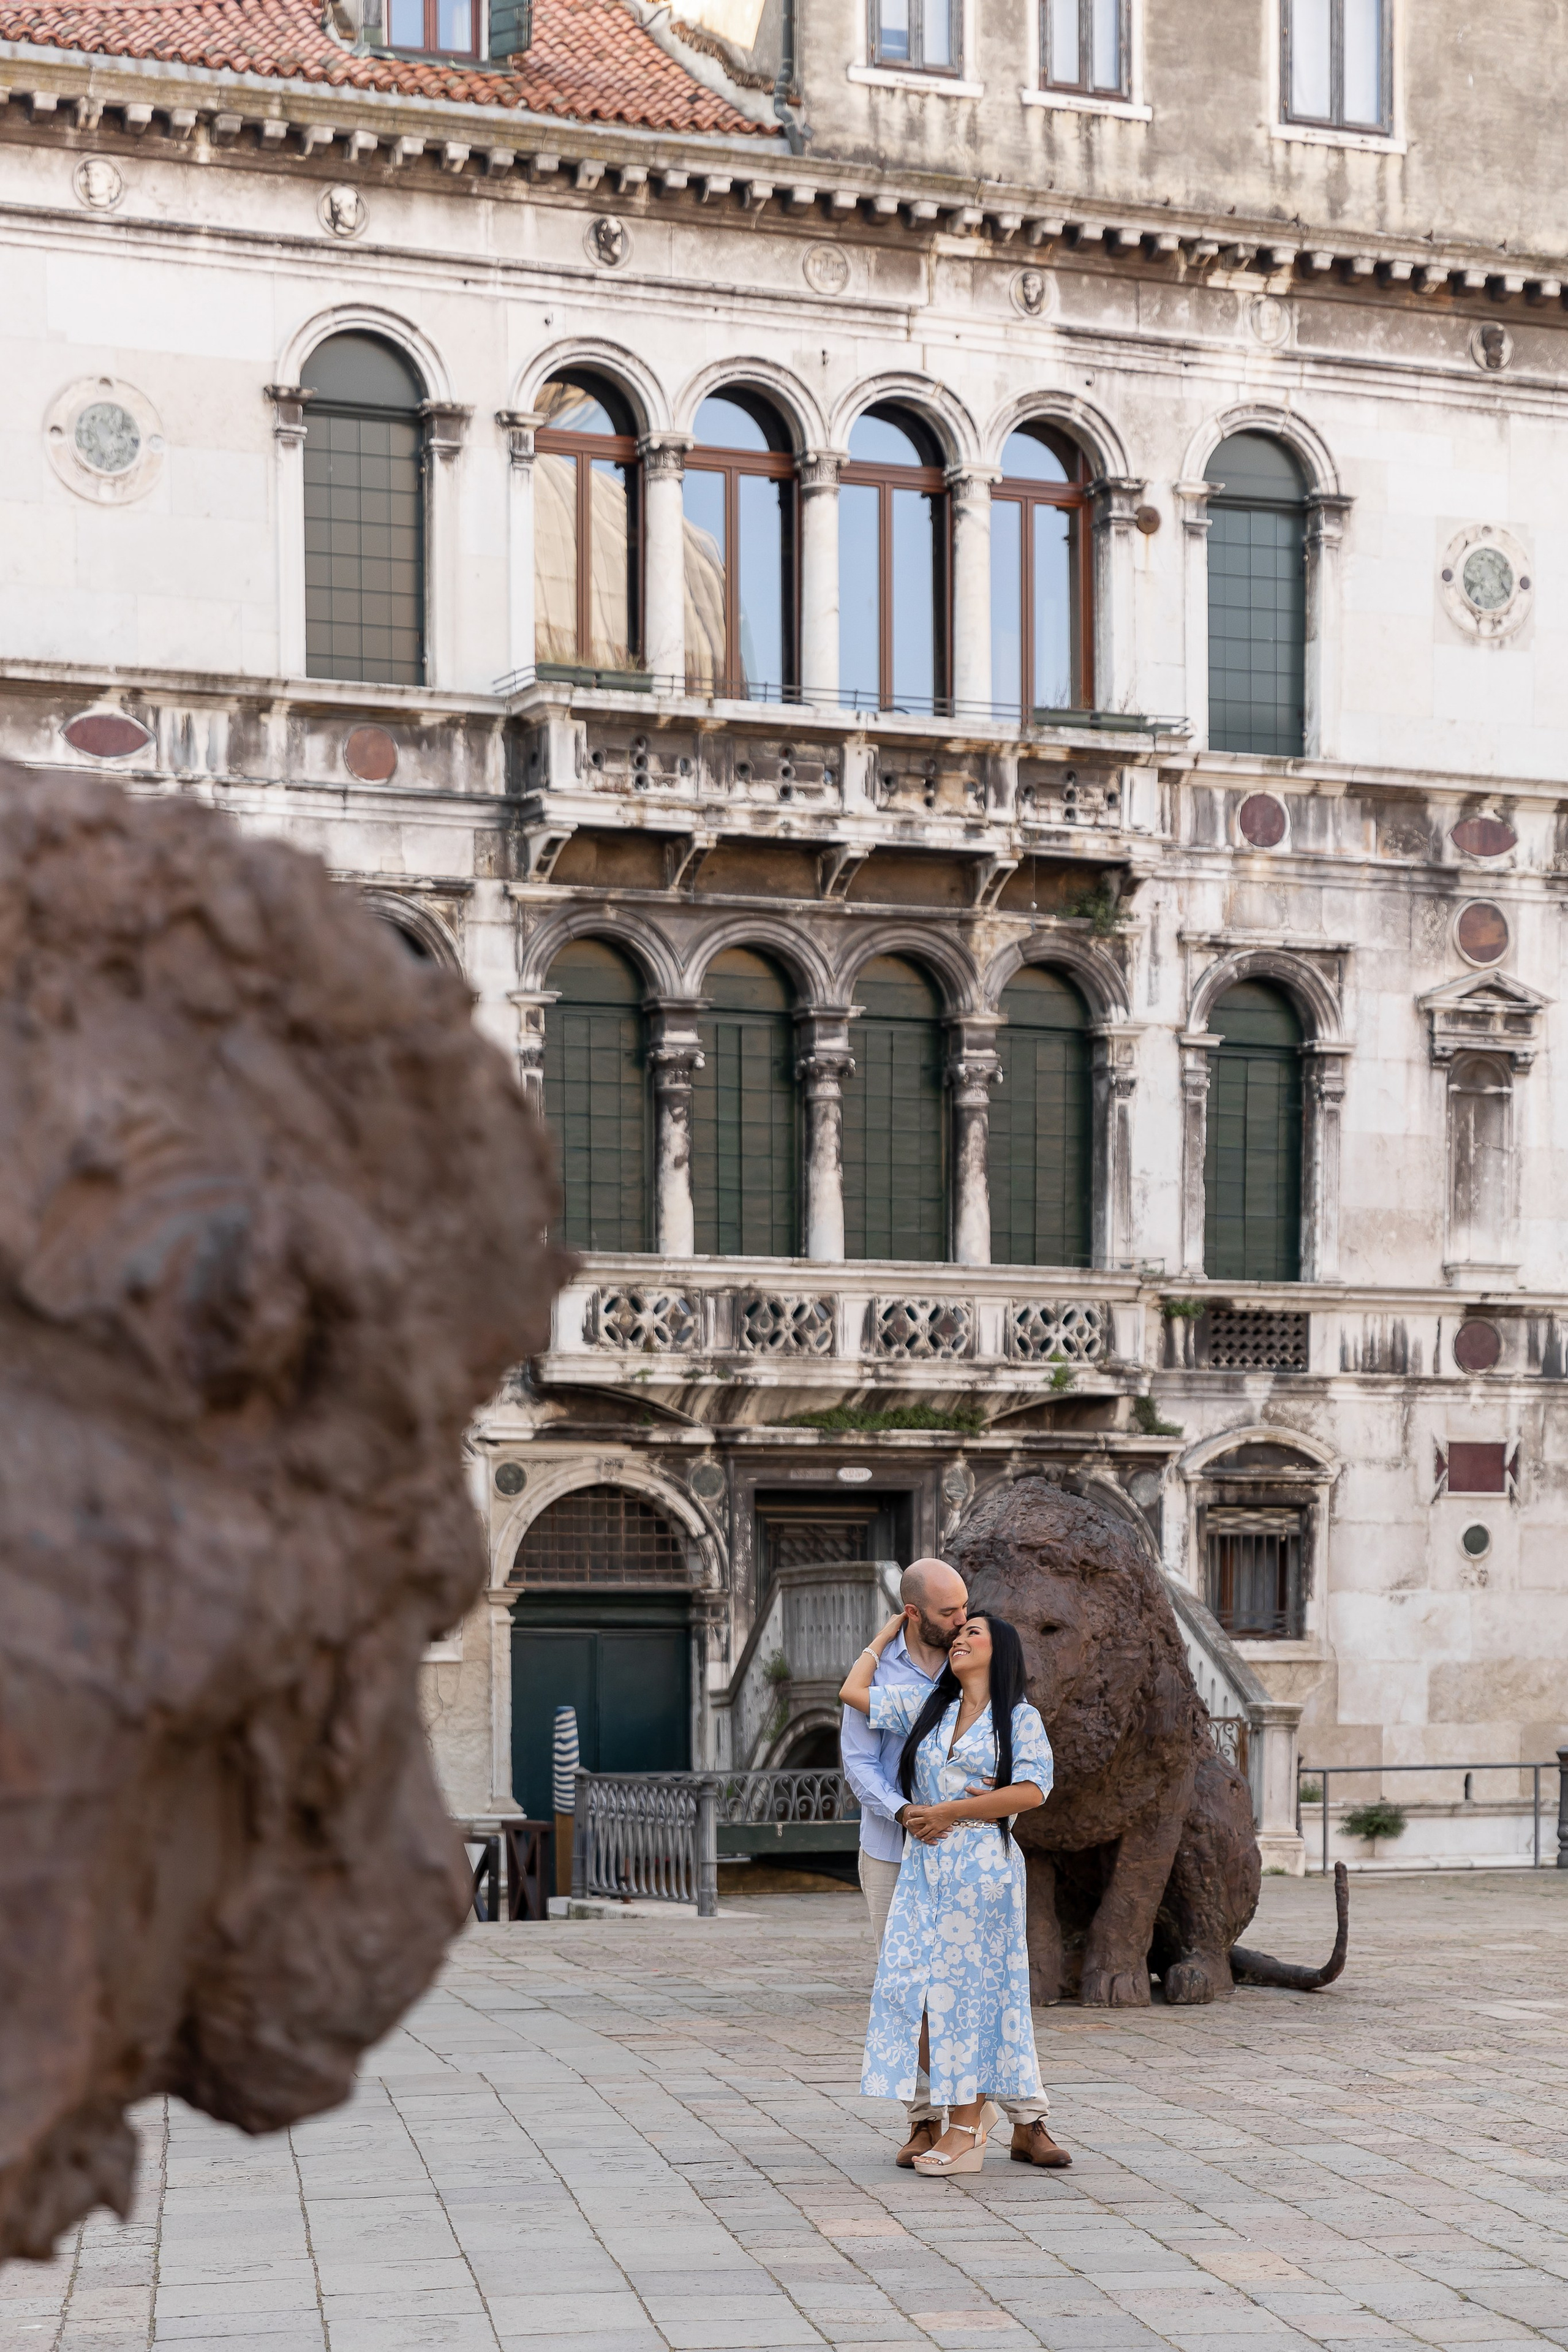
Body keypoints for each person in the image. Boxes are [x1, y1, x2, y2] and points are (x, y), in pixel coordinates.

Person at [841, 1605, 1071, 2174]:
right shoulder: (929, 1706)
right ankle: (969, 2113)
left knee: (968, 1997)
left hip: (982, 1874)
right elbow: (853, 1692)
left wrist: (952, 1808)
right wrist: (888, 1631)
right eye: (959, 1632)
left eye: (974, 1633)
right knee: (912, 1993)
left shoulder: (1019, 1718)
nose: (961, 1638)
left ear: (1002, 1653)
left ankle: (967, 2125)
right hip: (923, 1869)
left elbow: (1032, 1791)